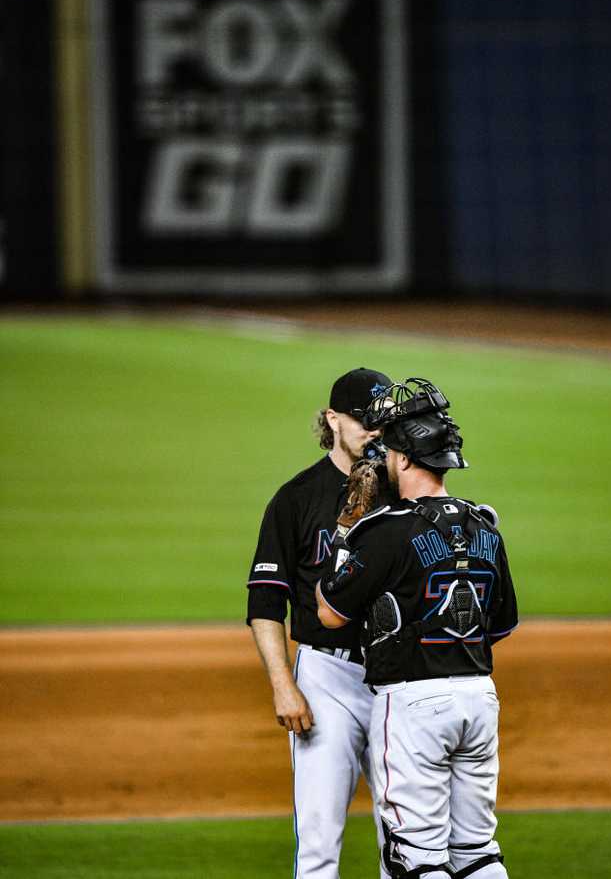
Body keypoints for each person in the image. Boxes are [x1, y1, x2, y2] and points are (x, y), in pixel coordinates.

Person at [316, 378, 518, 879]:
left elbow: (329, 612)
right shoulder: (485, 526)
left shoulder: (385, 532)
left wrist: (347, 527)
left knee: (416, 857)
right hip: (479, 697)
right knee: (477, 852)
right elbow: (502, 623)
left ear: (404, 460)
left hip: (413, 706)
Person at [247, 367, 393, 879]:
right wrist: (283, 685)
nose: (375, 430)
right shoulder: (296, 498)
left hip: (399, 677)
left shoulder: (406, 492)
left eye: (383, 421)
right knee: (317, 844)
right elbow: (266, 603)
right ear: (332, 419)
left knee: (405, 843)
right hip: (325, 680)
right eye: (363, 420)